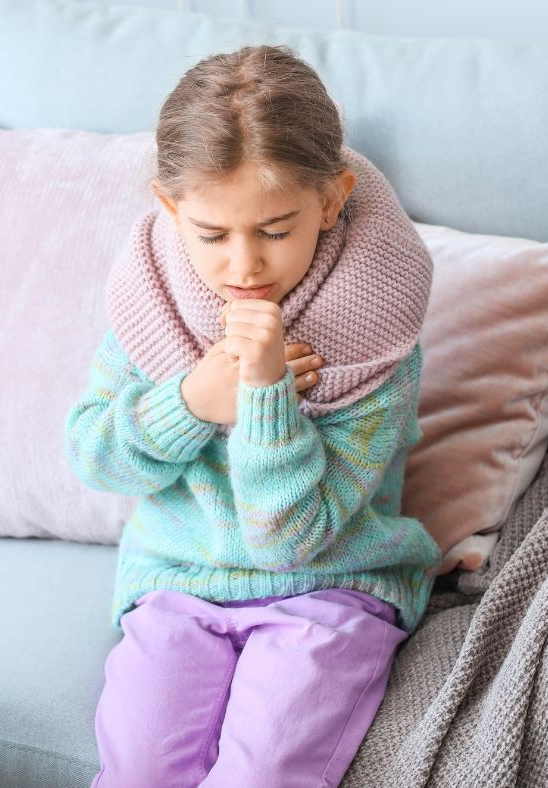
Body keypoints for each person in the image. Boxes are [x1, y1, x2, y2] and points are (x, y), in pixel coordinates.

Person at [63, 43, 444, 788]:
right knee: (138, 768)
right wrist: (191, 402)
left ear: (331, 201)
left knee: (263, 771)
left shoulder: (375, 330)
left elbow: (287, 544)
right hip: (176, 582)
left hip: (331, 588)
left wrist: (267, 399)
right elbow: (91, 456)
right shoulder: (150, 302)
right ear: (171, 209)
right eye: (211, 235)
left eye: (274, 231)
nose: (244, 267)